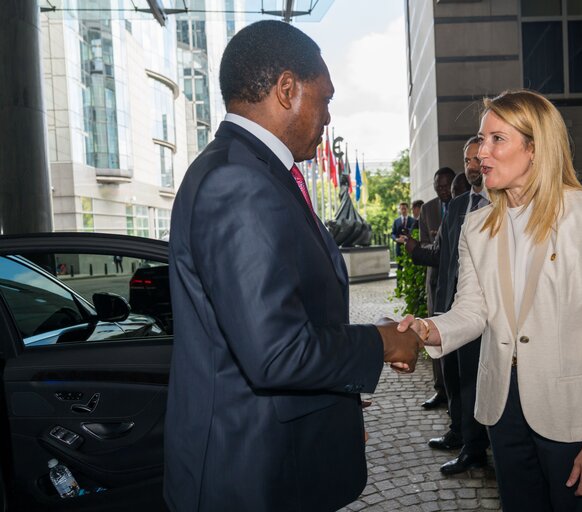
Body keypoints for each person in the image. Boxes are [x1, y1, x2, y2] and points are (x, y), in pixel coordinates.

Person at [164, 20, 421, 512]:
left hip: (279, 456)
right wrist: (383, 341)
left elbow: (291, 317)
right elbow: (276, 353)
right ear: (287, 89)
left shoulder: (250, 170)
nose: (327, 118)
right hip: (251, 475)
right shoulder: (238, 182)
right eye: (324, 100)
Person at [398, 90, 582, 512]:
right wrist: (427, 330)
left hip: (571, 415)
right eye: (480, 139)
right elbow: (473, 310)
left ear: (535, 148)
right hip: (501, 410)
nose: (481, 152)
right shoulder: (476, 225)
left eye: (496, 139)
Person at [400, 136, 491, 475]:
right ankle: (465, 440)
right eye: (466, 160)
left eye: (475, 159)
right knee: (455, 379)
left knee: (476, 379)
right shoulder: (456, 207)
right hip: (451, 308)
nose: (471, 166)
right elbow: (444, 258)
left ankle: (479, 445)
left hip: (487, 318)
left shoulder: (502, 205)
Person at [418, 167, 456, 410]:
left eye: (445, 186)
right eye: (438, 187)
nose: (442, 191)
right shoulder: (428, 209)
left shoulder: (463, 204)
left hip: (457, 281)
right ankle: (440, 389)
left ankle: (457, 392)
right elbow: (422, 243)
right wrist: (434, 243)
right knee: (433, 332)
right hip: (435, 280)